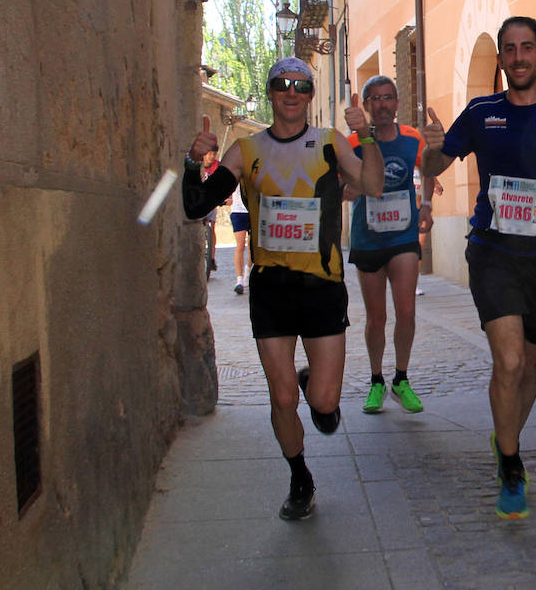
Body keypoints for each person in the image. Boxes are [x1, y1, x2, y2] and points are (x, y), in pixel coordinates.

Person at [182, 57, 385, 521]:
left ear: (310, 96)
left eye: (301, 86)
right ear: (271, 91)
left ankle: (317, 384)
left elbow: (373, 184)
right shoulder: (245, 149)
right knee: (281, 398)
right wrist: (194, 162)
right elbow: (197, 205)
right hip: (271, 288)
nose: (291, 92)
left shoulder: (330, 143)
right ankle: (299, 476)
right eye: (281, 84)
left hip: (322, 287)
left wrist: (367, 135)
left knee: (324, 404)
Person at [420, 16, 536, 520]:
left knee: (531, 367)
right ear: (500, 59)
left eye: (526, 48)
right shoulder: (480, 112)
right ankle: (511, 465)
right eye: (509, 49)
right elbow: (434, 167)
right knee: (510, 362)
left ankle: (506, 435)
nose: (518, 57)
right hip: (493, 252)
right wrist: (429, 150)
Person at [346, 75, 435, 415]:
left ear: (397, 103)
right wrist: (347, 190)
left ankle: (401, 377)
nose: (382, 105)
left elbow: (428, 167)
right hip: (367, 237)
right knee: (376, 319)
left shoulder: (411, 138)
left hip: (403, 236)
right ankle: (376, 380)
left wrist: (426, 202)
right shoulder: (354, 141)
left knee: (407, 311)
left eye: (388, 98)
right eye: (375, 99)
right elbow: (342, 180)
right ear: (366, 105)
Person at [231, 170, 250, 294]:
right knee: (240, 245)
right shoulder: (235, 173)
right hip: (238, 211)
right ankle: (239, 279)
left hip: (252, 210)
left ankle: (247, 272)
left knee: (252, 246)